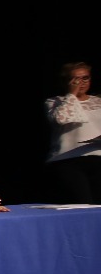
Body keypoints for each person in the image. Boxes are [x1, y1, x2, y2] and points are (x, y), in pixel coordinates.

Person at [43, 61, 101, 203]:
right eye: (75, 79)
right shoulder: (55, 102)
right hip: (69, 159)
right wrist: (72, 94)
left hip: (97, 157)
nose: (80, 83)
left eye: (85, 78)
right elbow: (60, 119)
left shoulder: (98, 102)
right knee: (82, 203)